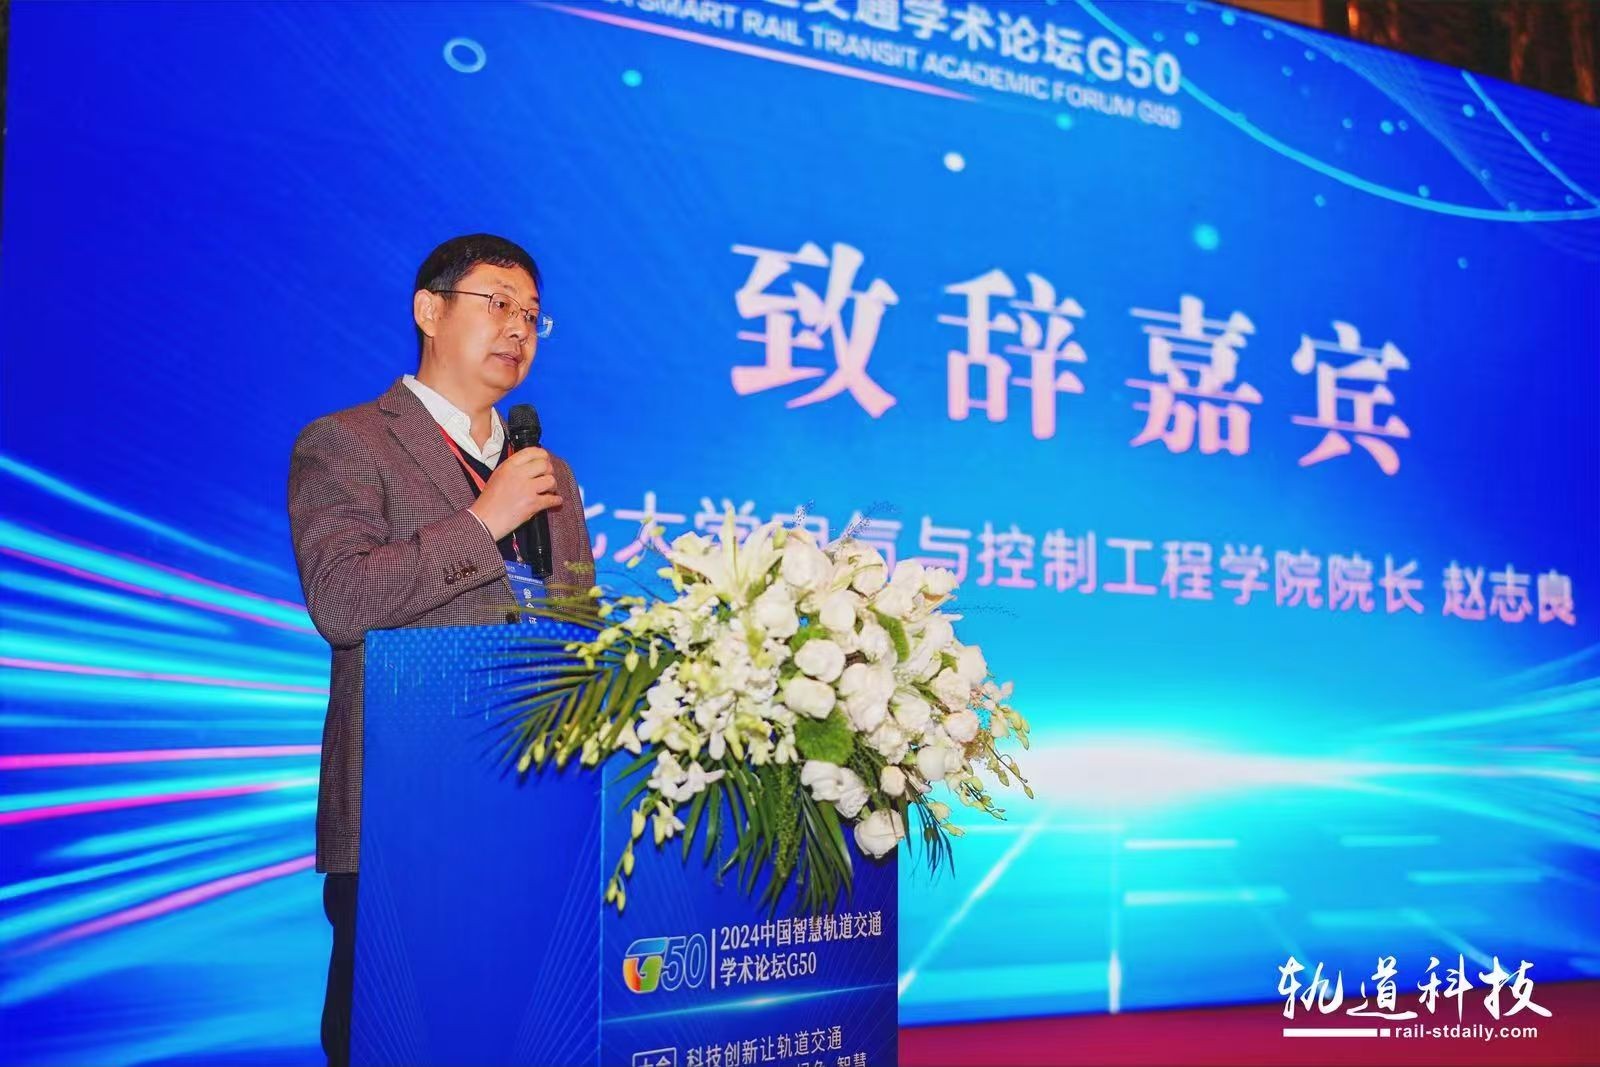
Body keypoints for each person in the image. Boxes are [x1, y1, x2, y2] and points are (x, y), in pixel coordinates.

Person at [287, 233, 595, 1066]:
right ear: (429, 310)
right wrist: (483, 521)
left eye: (532, 314)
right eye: (497, 303)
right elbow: (341, 601)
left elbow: (578, 635)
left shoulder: (549, 474)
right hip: (404, 821)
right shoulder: (347, 442)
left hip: (537, 819)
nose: (518, 328)